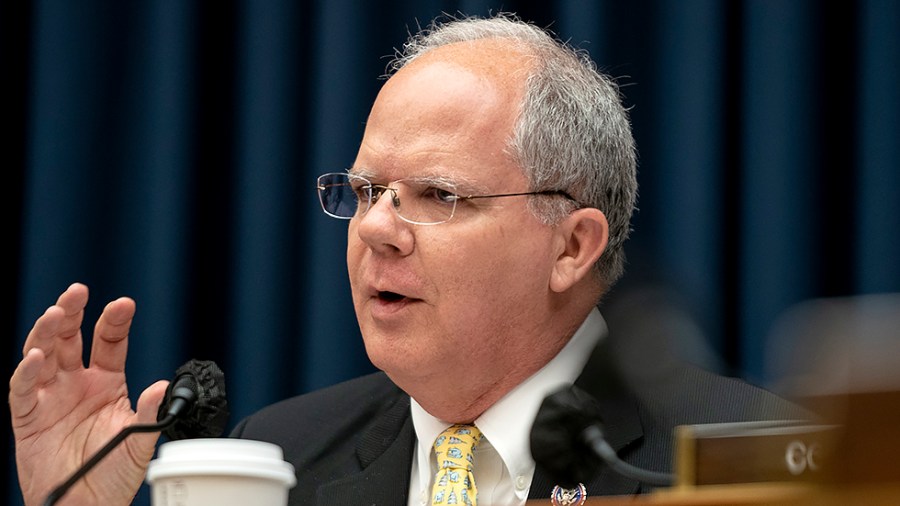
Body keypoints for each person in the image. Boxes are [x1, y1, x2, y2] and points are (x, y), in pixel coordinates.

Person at [10, 12, 807, 506]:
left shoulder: (750, 461)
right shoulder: (284, 457)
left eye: (438, 196)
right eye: (363, 192)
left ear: (572, 245)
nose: (376, 231)